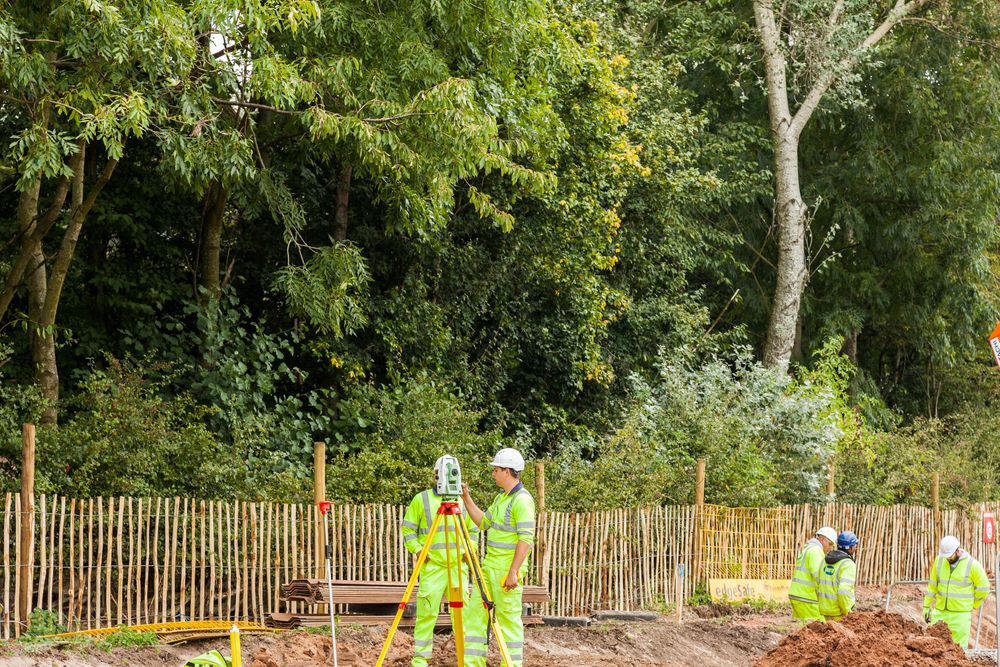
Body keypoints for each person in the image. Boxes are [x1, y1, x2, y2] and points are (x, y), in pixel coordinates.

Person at [401, 457, 480, 667]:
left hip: (458, 568)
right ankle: (420, 661)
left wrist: (470, 548)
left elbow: (473, 530)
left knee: (462, 618)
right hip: (433, 567)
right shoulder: (422, 499)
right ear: (435, 474)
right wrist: (418, 549)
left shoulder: (462, 502)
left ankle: (466, 660)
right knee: (426, 616)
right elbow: (408, 529)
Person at [460, 448, 535, 667]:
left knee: (508, 624)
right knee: (475, 619)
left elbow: (526, 538)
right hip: (488, 568)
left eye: (495, 470)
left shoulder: (522, 501)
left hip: (505, 573)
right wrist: (466, 499)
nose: (493, 474)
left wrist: (513, 571)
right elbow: (483, 522)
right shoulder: (501, 498)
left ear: (507, 471)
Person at [923, 535, 990, 647]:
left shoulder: (972, 565)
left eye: (949, 556)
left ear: (957, 550)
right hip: (940, 612)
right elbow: (932, 585)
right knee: (933, 648)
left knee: (958, 651)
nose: (947, 559)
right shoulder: (939, 561)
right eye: (945, 557)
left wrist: (974, 604)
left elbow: (984, 588)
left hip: (960, 616)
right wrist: (926, 605)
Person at [788, 526, 838, 621]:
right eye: (830, 544)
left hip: (799, 596)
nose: (831, 548)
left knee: (802, 631)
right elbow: (819, 576)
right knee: (820, 628)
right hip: (807, 598)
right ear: (822, 540)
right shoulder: (816, 550)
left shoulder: (808, 549)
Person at [817, 530, 858, 621]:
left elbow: (817, 586)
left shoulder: (824, 561)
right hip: (840, 615)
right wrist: (846, 612)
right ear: (851, 548)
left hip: (825, 612)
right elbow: (843, 590)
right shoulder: (848, 564)